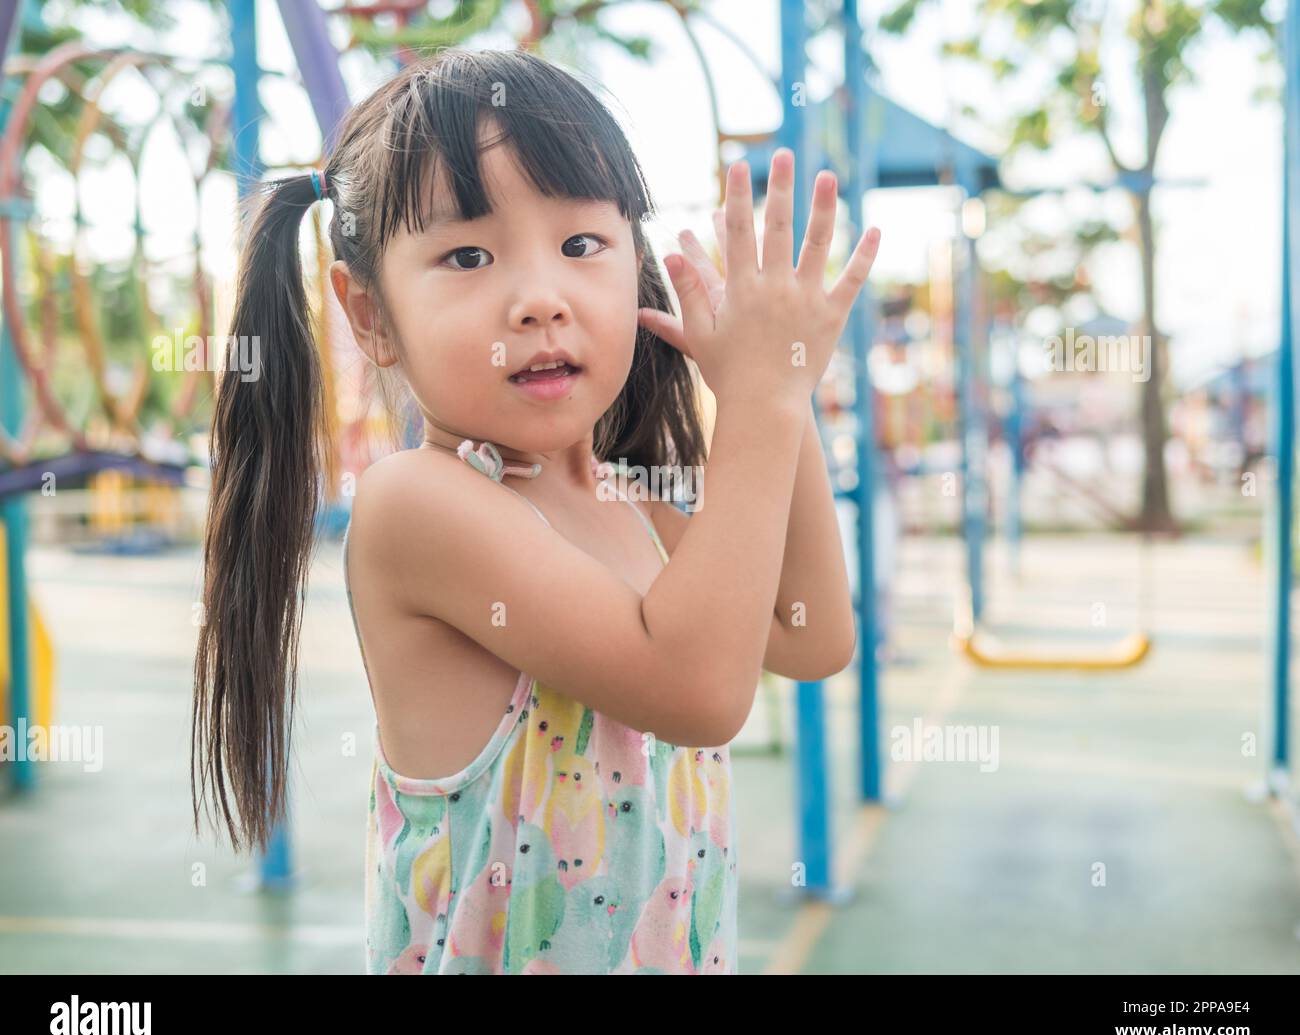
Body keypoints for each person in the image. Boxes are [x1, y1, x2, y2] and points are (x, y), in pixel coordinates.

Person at [190, 48, 881, 974]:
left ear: (637, 264)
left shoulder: (637, 505)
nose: (541, 299)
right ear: (371, 317)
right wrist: (756, 406)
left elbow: (811, 633)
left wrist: (782, 395)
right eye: (467, 255)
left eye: (582, 244)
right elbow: (703, 692)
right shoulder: (418, 504)